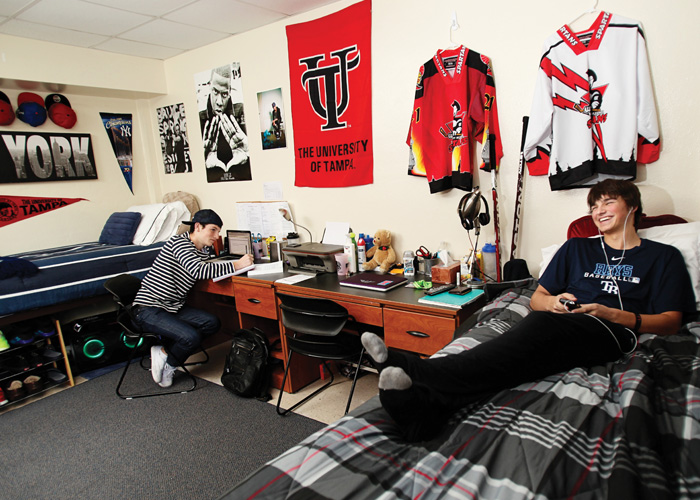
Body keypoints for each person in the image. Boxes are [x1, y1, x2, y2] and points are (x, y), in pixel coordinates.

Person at [362, 179, 696, 441]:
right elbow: (538, 298)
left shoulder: (662, 257)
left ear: (633, 207)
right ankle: (426, 414)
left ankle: (419, 369)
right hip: (559, 319)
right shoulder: (576, 248)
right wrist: (553, 303)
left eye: (609, 202)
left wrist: (612, 314)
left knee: (531, 337)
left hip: (610, 329)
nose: (599, 210)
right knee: (519, 357)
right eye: (594, 205)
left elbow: (671, 322)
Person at [132, 209, 254, 388]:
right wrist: (236, 264)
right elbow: (198, 270)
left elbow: (201, 266)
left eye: (218, 231)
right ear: (197, 227)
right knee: (191, 337)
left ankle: (165, 351)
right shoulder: (179, 243)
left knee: (212, 323)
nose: (216, 236)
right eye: (213, 230)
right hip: (148, 308)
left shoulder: (201, 250)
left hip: (171, 306)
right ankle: (169, 362)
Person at [199, 65, 250, 181]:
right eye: (215, 92)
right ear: (209, 87)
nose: (219, 102)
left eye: (224, 94)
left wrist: (248, 154)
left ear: (230, 92)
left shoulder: (242, 112)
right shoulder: (200, 118)